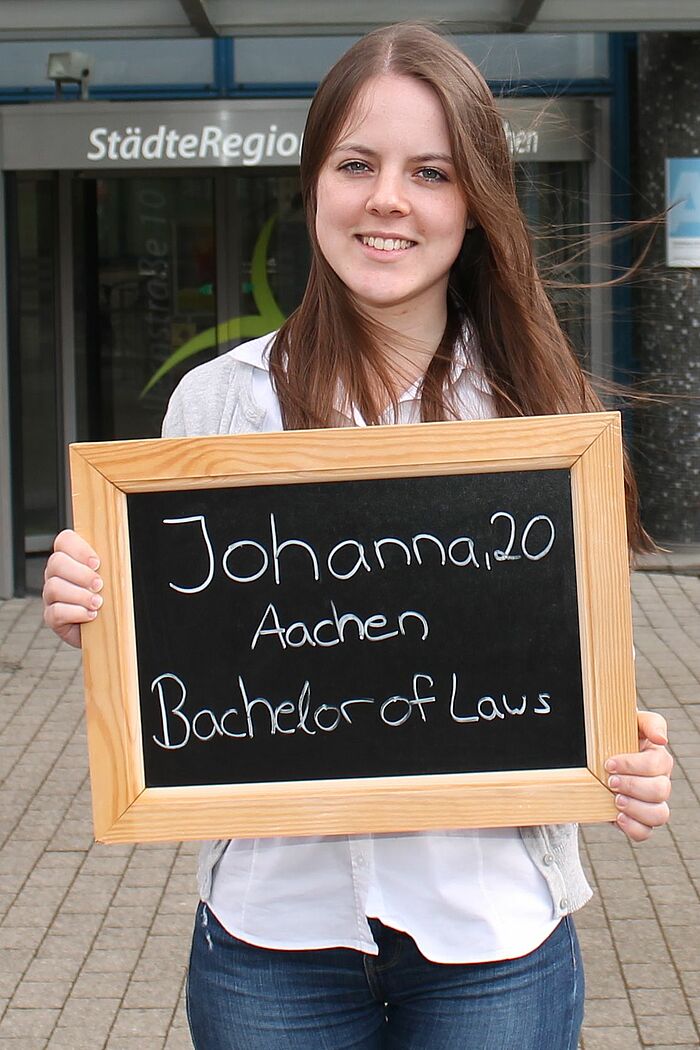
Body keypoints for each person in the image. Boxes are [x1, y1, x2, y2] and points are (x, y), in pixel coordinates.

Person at [43, 23, 673, 1050]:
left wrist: (628, 754)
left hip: (493, 941)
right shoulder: (217, 404)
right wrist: (98, 608)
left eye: (430, 171)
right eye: (356, 164)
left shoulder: (531, 418)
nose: (389, 199)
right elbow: (169, 652)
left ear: (473, 204)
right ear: (312, 186)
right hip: (271, 939)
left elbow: (560, 666)